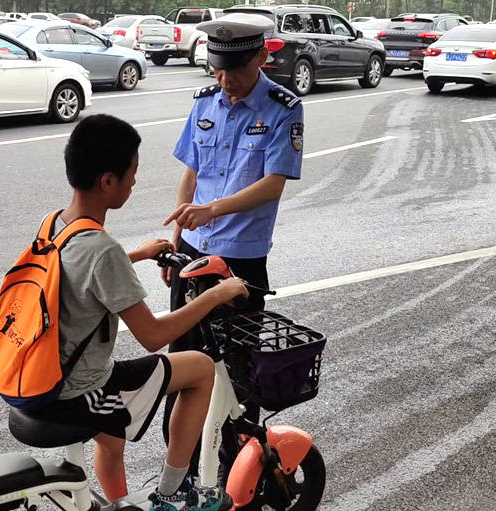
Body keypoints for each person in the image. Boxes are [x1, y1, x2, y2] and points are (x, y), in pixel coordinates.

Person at [26, 114, 248, 511]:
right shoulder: (102, 250)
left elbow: (75, 275)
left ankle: (121, 504)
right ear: (108, 181)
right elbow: (153, 335)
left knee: (111, 440)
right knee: (197, 367)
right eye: (132, 172)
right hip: (79, 389)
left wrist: (136, 254)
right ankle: (172, 493)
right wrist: (217, 295)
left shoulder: (55, 223)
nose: (134, 182)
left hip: (43, 373)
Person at [161, 13, 304, 479]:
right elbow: (190, 172)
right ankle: (177, 473)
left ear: (261, 57)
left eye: (234, 73)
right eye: (217, 72)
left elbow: (274, 183)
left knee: (238, 374)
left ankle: (231, 475)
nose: (225, 83)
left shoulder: (283, 108)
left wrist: (213, 210)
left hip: (240, 259)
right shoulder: (205, 101)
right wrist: (177, 241)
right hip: (194, 253)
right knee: (182, 367)